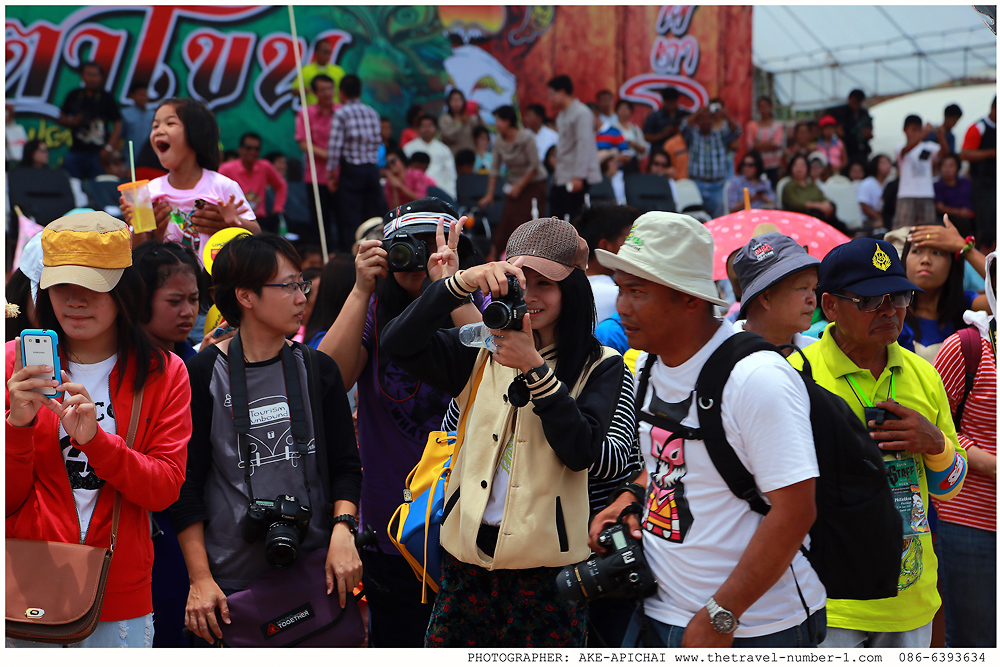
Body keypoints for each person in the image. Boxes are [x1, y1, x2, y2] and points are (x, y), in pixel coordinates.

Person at [381, 217, 625, 647]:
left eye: (545, 284)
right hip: (465, 562)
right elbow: (398, 343)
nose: (529, 295)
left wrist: (535, 369)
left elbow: (581, 451)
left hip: (548, 572)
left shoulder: (600, 363)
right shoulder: (482, 346)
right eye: (518, 281)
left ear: (572, 289)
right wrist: (456, 285)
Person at [590, 211, 825, 648]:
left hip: (755, 627)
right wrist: (629, 498)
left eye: (638, 291)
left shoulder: (757, 378)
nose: (622, 306)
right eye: (621, 288)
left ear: (689, 299)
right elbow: (666, 465)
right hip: (657, 611)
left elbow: (795, 510)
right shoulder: (647, 365)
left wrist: (722, 613)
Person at [5, 211, 192, 647]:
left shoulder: (164, 372)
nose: (75, 300)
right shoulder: (12, 363)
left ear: (124, 289)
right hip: (24, 585)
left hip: (120, 595)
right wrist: (16, 426)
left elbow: (164, 490)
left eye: (92, 286)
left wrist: (96, 442)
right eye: (61, 286)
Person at [169, 234, 362, 646]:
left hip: (318, 569)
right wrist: (200, 579)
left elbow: (346, 466)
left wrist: (343, 533)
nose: (302, 297)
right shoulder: (202, 374)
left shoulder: (318, 368)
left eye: (302, 284)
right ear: (245, 296)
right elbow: (186, 485)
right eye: (289, 286)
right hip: (231, 586)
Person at [317, 199, 485, 647]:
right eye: (408, 246)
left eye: (434, 245)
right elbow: (328, 381)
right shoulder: (374, 310)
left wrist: (450, 288)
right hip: (391, 525)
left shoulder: (482, 303)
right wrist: (360, 291)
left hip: (468, 521)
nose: (421, 257)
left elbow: (495, 370)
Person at [791, 237, 967, 649]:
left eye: (899, 296)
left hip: (910, 599)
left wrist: (935, 444)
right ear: (830, 306)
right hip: (827, 601)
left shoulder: (924, 375)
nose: (889, 310)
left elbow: (950, 489)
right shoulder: (796, 374)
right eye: (870, 301)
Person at [130, 239, 204, 646]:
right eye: (174, 301)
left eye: (193, 299)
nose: (188, 311)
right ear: (139, 301)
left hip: (196, 526)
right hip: (145, 528)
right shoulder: (119, 370)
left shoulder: (202, 364)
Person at [930, 253, 996, 648]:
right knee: (975, 642)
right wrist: (991, 464)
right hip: (973, 522)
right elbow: (936, 426)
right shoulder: (967, 347)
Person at [123, 98, 260, 259]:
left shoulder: (222, 186)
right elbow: (137, 255)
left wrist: (233, 223)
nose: (159, 131)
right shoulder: (149, 191)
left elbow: (257, 237)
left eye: (170, 123)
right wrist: (138, 225)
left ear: (196, 133)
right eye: (155, 126)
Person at [899, 225, 985, 363]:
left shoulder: (965, 305)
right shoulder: (888, 308)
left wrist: (965, 248)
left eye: (937, 253)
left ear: (953, 264)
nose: (925, 260)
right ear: (904, 259)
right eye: (916, 251)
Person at [326, 74, 387, 252]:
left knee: (350, 217)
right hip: (371, 170)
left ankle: (352, 257)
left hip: (351, 171)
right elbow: (377, 142)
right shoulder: (372, 112)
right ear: (360, 92)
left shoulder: (341, 113)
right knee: (373, 216)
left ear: (341, 93)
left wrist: (331, 175)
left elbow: (335, 147)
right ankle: (378, 251)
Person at [479, 105, 548, 261]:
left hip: (533, 185)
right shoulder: (498, 141)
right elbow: (495, 169)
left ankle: (530, 257)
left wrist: (520, 186)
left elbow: (534, 165)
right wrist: (489, 194)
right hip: (514, 185)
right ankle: (496, 256)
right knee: (507, 220)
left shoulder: (526, 138)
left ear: (507, 121)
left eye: (498, 120)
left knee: (529, 220)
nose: (496, 124)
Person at [731, 232, 820, 351]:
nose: (812, 300)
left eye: (814, 289)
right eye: (803, 287)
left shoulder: (818, 352)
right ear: (766, 297)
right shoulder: (725, 355)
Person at [548, 75, 602, 221]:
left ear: (562, 92)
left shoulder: (582, 113)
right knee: (555, 216)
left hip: (576, 175)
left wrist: (578, 176)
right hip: (562, 174)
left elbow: (585, 145)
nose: (550, 98)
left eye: (552, 94)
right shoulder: (561, 115)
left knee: (576, 217)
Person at [58, 61, 122, 180]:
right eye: (89, 74)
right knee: (72, 182)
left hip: (98, 152)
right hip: (76, 150)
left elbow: (117, 124)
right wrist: (72, 122)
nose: (92, 78)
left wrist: (108, 148)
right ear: (82, 76)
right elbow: (61, 116)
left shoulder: (106, 97)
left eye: (95, 75)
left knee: (98, 183)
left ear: (101, 77)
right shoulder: (74, 95)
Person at [295, 73, 338, 245]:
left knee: (344, 217)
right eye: (323, 90)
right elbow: (304, 144)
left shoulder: (342, 111)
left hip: (341, 174)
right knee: (319, 219)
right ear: (314, 93)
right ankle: (321, 252)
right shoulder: (305, 114)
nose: (328, 93)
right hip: (316, 176)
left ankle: (344, 253)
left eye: (330, 88)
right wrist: (330, 155)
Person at [579, 205, 639, 326]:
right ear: (604, 246)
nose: (636, 247)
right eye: (629, 240)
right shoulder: (615, 293)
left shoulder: (569, 289)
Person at [680, 104, 741, 219]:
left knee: (718, 218)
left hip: (717, 186)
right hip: (697, 184)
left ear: (713, 120)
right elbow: (683, 127)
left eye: (709, 118)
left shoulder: (720, 136)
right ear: (697, 121)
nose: (706, 121)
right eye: (702, 118)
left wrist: (726, 116)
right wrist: (698, 112)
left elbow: (737, 131)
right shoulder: (693, 135)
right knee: (695, 219)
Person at [219, 132, 288, 234]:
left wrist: (278, 208)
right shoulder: (226, 169)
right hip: (237, 220)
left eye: (256, 149)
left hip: (260, 220)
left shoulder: (264, 167)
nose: (252, 152)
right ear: (240, 149)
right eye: (248, 148)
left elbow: (281, 185)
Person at [894, 114, 948, 230]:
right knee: (902, 230)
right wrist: (924, 133)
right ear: (905, 130)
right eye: (913, 130)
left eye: (919, 130)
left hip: (926, 194)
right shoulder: (899, 147)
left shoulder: (929, 147)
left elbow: (945, 153)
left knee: (928, 229)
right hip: (906, 195)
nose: (916, 133)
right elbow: (905, 150)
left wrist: (940, 136)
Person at [959, 97, 996, 249]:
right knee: (987, 224)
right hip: (984, 185)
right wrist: (992, 153)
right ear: (994, 108)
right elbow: (965, 154)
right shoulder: (978, 127)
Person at [403, 114, 458, 200]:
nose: (427, 129)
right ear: (418, 128)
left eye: (429, 126)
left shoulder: (444, 149)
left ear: (435, 128)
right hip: (414, 193)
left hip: (440, 191)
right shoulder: (408, 148)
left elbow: (450, 175)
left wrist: (451, 195)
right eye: (424, 126)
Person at [781, 154, 839, 227]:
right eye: (796, 165)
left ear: (807, 168)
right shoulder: (788, 186)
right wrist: (818, 206)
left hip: (822, 216)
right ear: (791, 168)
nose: (799, 168)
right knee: (815, 213)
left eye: (802, 165)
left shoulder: (812, 185)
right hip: (800, 219)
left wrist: (827, 205)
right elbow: (796, 204)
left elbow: (822, 197)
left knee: (833, 206)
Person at [826, 89, 873, 165]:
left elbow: (869, 132)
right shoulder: (840, 112)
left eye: (858, 101)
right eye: (854, 101)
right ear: (849, 99)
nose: (856, 104)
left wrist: (867, 133)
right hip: (846, 149)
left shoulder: (864, 113)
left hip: (862, 150)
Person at [295, 37, 345, 107]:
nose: (327, 55)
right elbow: (294, 90)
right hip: (312, 111)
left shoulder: (338, 71)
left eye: (329, 52)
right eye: (325, 52)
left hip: (334, 111)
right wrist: (306, 90)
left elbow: (345, 92)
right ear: (316, 52)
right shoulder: (306, 71)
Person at [745, 97, 784, 186]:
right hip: (757, 165)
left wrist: (758, 144)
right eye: (761, 106)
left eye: (765, 106)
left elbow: (777, 144)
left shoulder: (777, 125)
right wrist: (769, 143)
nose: (763, 109)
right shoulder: (752, 125)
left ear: (771, 107)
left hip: (773, 165)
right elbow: (750, 146)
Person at [643, 87, 690, 160]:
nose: (672, 105)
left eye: (674, 102)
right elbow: (646, 136)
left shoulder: (682, 114)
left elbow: (694, 117)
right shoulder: (654, 117)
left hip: (678, 155)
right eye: (669, 102)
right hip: (659, 154)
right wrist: (662, 134)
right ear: (664, 101)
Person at [933, 154, 974, 235]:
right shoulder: (937, 186)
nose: (947, 169)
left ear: (957, 168)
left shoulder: (967, 183)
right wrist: (959, 212)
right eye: (944, 166)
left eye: (951, 166)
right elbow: (940, 207)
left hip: (970, 218)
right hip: (948, 219)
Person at [438, 88, 485, 157]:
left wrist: (478, 115)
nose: (456, 103)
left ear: (463, 102)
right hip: (451, 156)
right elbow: (448, 136)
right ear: (448, 102)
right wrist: (460, 123)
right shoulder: (445, 118)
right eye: (453, 100)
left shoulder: (469, 118)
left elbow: (483, 129)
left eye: (459, 100)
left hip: (469, 155)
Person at [120, 81, 155, 164]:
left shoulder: (153, 115)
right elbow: (119, 138)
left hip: (149, 159)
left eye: (145, 94)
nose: (143, 97)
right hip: (130, 159)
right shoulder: (125, 114)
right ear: (132, 96)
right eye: (140, 94)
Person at [856, 154, 893, 229]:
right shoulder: (867, 183)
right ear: (876, 165)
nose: (888, 166)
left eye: (888, 163)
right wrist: (880, 218)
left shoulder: (891, 182)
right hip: (869, 220)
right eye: (883, 163)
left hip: (887, 219)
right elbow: (864, 206)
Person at [615, 99, 649, 174]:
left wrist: (634, 145)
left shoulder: (635, 129)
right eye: (622, 109)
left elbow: (644, 148)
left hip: (632, 162)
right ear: (616, 111)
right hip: (617, 162)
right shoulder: (612, 127)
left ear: (631, 112)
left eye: (626, 109)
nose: (624, 112)